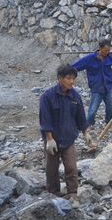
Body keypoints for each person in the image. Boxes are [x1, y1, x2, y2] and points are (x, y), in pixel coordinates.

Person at [39, 64, 92, 198]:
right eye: (69, 78)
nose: (72, 81)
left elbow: (80, 116)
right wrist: (49, 139)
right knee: (51, 170)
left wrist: (85, 131)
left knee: (71, 168)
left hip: (68, 139)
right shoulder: (47, 96)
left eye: (73, 78)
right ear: (59, 78)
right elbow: (45, 120)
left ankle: (72, 193)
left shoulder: (75, 96)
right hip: (53, 140)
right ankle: (53, 194)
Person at [71, 39, 112, 126]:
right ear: (99, 48)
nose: (107, 52)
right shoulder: (90, 58)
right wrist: (67, 72)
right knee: (93, 109)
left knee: (111, 108)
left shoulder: (109, 57)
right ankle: (89, 124)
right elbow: (76, 66)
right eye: (105, 50)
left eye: (108, 50)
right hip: (96, 87)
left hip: (108, 87)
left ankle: (108, 123)